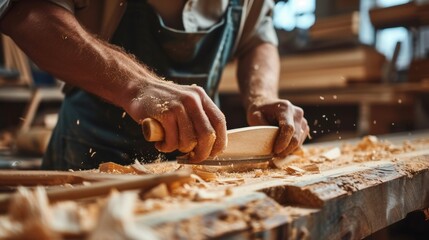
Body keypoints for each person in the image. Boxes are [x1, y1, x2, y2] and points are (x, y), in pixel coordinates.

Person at [0, 0, 309, 170]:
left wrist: (261, 96)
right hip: (87, 156)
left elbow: (258, 35)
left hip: (194, 168)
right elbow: (25, 11)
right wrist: (137, 86)